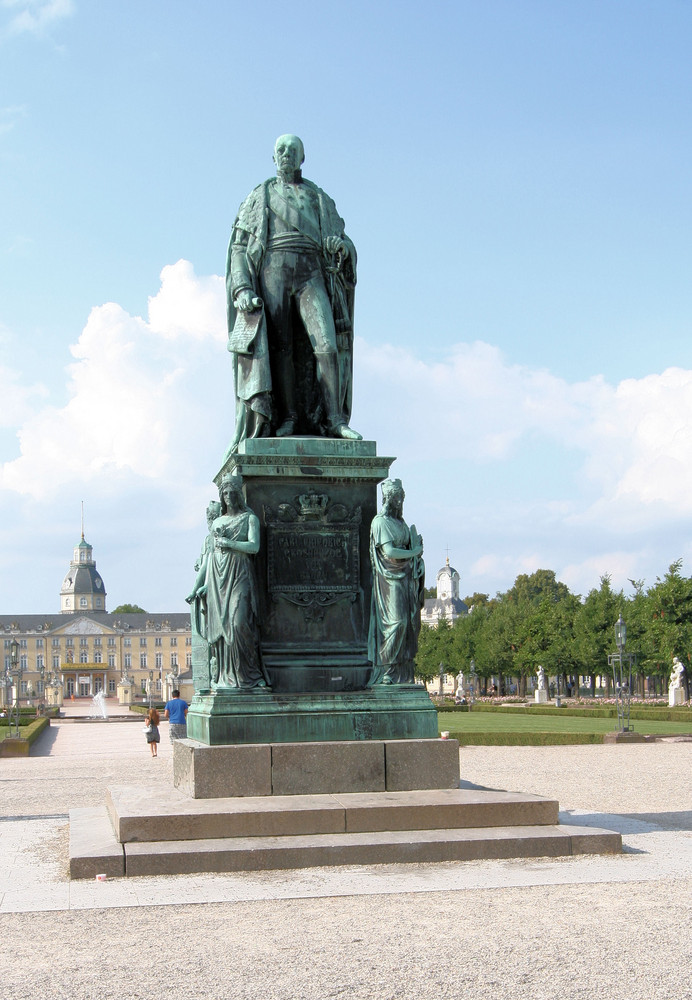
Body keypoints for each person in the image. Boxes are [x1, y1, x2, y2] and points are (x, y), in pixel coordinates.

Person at [224, 134, 361, 455]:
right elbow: (240, 247)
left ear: (303, 158)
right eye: (281, 151)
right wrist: (243, 287)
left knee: (325, 343)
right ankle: (288, 417)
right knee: (281, 347)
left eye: (293, 151)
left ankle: (335, 419)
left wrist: (342, 248)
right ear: (274, 158)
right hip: (273, 267)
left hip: (311, 272)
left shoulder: (320, 199)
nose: (286, 155)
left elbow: (344, 240)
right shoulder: (260, 196)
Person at [187, 474, 270, 690]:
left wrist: (230, 543)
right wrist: (197, 587)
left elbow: (254, 547)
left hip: (240, 573)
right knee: (223, 630)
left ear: (239, 495)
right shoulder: (218, 522)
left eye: (233, 492)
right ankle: (226, 676)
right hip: (218, 578)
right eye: (225, 493)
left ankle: (250, 674)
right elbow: (209, 558)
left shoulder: (250, 519)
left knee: (239, 622)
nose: (229, 496)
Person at [368, 478, 425, 685]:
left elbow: (408, 549)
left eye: (402, 498)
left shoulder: (401, 523)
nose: (400, 502)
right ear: (388, 498)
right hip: (389, 580)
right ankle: (387, 670)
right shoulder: (380, 522)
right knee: (397, 623)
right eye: (397, 498)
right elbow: (390, 551)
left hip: (405, 578)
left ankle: (402, 671)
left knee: (409, 623)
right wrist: (413, 552)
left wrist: (417, 551)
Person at [186, 500, 223, 692]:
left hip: (215, 591)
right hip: (207, 591)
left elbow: (212, 566)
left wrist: (201, 585)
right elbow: (206, 564)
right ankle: (209, 680)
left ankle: (215, 677)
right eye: (210, 518)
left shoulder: (215, 538)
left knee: (213, 638)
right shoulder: (208, 540)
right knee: (208, 637)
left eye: (214, 517)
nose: (211, 521)